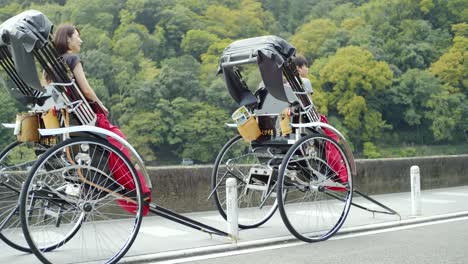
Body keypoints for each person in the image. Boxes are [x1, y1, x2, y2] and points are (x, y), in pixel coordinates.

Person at [53, 24, 151, 214]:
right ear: (68, 40)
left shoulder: (51, 64)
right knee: (117, 140)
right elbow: (87, 90)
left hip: (65, 119)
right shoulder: (72, 59)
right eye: (77, 37)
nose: (80, 40)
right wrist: (101, 104)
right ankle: (130, 186)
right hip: (83, 118)